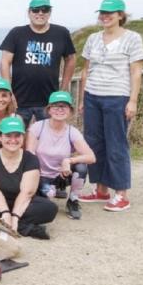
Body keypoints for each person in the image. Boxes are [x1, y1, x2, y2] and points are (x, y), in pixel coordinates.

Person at [76, 0, 143, 212]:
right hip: (92, 95)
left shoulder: (132, 38)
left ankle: (121, 193)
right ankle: (101, 189)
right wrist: (81, 99)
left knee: (116, 144)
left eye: (110, 13)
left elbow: (136, 71)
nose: (105, 17)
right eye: (102, 13)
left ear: (120, 15)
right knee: (94, 143)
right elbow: (86, 70)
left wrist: (132, 100)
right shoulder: (93, 38)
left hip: (117, 97)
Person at [0, 116, 58, 239]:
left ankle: (5, 224)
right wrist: (5, 213)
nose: (13, 140)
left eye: (17, 136)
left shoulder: (31, 159)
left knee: (49, 208)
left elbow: (27, 192)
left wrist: (15, 216)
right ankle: (25, 227)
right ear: (0, 138)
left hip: (24, 203)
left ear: (23, 138)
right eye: (8, 136)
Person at [0, 0, 76, 125]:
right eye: (36, 10)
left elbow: (71, 58)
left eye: (45, 9)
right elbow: (5, 62)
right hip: (19, 100)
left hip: (49, 101)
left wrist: (63, 88)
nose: (40, 13)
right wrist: (8, 91)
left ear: (50, 12)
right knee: (16, 138)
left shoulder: (61, 33)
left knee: (47, 139)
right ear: (29, 12)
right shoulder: (17, 33)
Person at [26, 91, 96, 220]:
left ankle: (73, 200)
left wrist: (69, 160)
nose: (59, 109)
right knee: (48, 196)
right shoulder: (37, 127)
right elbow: (29, 155)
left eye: (64, 106)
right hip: (40, 175)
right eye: (55, 106)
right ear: (49, 110)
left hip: (62, 175)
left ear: (70, 110)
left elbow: (91, 157)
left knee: (81, 167)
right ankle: (44, 190)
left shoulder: (72, 132)